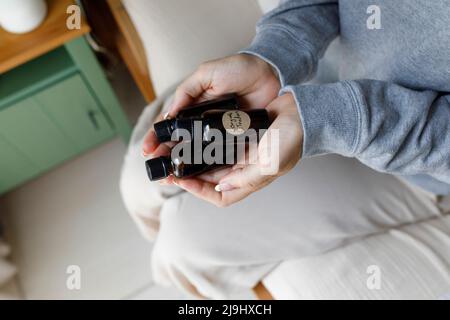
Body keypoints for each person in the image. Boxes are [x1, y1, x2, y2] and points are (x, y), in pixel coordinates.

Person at [121, 0, 450, 298]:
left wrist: (331, 117)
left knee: (182, 247)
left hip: (410, 159)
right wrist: (272, 55)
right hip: (313, 83)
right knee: (138, 178)